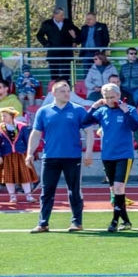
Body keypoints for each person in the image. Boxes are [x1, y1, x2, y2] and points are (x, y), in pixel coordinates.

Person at [25, 80, 96, 232]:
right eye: (63, 91)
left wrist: (88, 151)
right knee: (47, 191)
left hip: (72, 157)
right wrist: (29, 153)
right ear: (54, 94)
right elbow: (36, 133)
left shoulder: (79, 110)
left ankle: (77, 222)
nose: (67, 94)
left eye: (68, 91)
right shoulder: (43, 111)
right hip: (50, 157)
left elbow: (89, 131)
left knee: (74, 190)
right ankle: (43, 223)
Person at [87, 83, 138, 231]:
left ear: (118, 95)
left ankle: (114, 221)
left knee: (118, 187)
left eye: (112, 97)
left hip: (124, 154)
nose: (110, 100)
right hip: (107, 155)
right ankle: (127, 222)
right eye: (106, 97)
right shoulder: (102, 111)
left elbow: (135, 126)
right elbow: (85, 121)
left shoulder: (129, 109)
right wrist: (95, 106)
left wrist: (126, 112)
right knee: (114, 191)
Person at [0, 107, 38, 206]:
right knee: (9, 177)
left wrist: (31, 154)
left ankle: (28, 196)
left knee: (24, 176)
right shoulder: (1, 128)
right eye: (2, 116)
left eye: (4, 116)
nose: (2, 117)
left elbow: (28, 141)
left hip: (21, 154)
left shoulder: (22, 126)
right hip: (7, 155)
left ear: (12, 116)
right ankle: (12, 196)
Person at [36, 8, 80, 85]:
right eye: (61, 15)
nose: (63, 17)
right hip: (53, 53)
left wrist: (75, 40)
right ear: (54, 15)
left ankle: (66, 91)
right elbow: (39, 35)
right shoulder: (47, 24)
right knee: (54, 75)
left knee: (66, 75)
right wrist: (47, 44)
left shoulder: (68, 22)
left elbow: (78, 32)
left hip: (66, 53)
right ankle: (55, 92)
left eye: (63, 15)